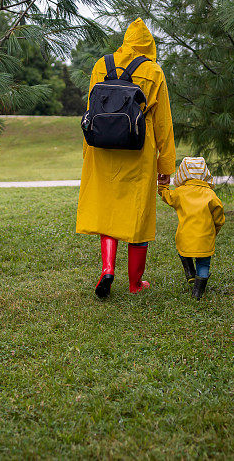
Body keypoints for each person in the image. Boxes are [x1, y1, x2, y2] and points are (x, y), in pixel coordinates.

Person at [76, 18, 176, 298]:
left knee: (108, 212)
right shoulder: (153, 71)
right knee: (138, 217)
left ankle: (107, 269)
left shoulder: (101, 65)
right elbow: (162, 123)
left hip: (102, 150)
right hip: (138, 150)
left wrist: (88, 154)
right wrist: (165, 165)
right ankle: (134, 284)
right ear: (149, 45)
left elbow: (90, 111)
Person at [158, 157, 225, 299]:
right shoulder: (211, 195)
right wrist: (214, 231)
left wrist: (163, 185)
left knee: (182, 251)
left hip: (185, 237)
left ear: (183, 173)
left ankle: (189, 273)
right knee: (204, 263)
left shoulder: (181, 192)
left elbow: (166, 195)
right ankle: (197, 292)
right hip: (205, 238)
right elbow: (219, 217)